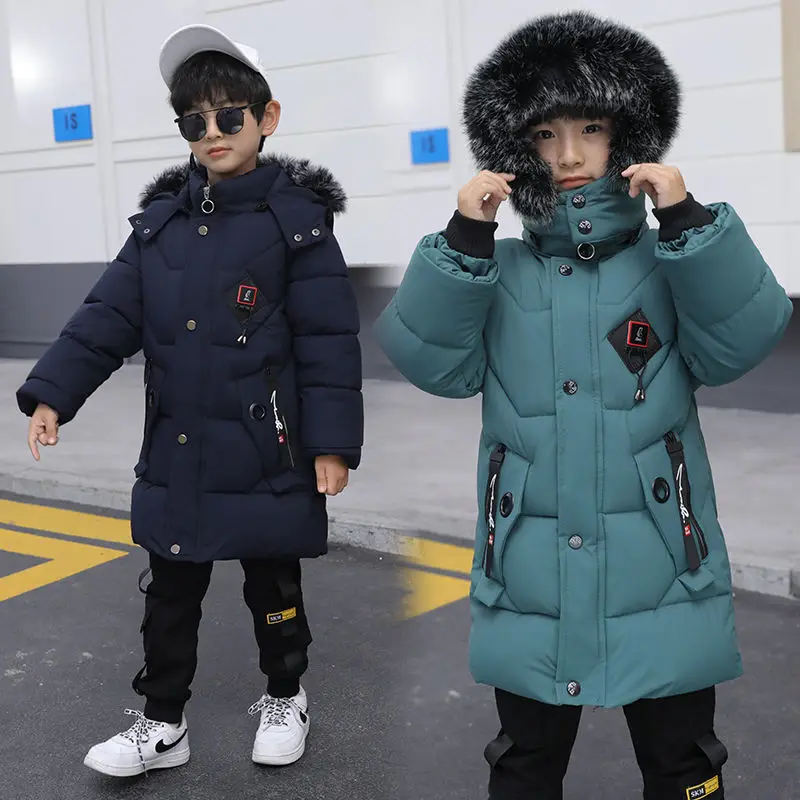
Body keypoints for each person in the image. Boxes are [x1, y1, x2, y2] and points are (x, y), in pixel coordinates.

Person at [375, 11, 792, 800]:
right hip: (529, 571)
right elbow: (435, 366)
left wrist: (688, 221)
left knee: (684, 765)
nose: (568, 156)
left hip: (664, 569)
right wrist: (464, 238)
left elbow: (740, 343)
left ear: (626, 135)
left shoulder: (670, 258)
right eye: (545, 134)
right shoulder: (496, 270)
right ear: (514, 149)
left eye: (590, 129)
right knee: (524, 766)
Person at [17, 23, 363, 777]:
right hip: (178, 447)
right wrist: (52, 395)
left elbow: (329, 342)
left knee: (273, 585)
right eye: (194, 121)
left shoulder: (298, 227)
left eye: (229, 116)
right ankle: (162, 722)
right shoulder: (161, 226)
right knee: (169, 593)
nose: (212, 133)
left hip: (269, 449)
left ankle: (285, 695)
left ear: (267, 118)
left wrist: (333, 444)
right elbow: (106, 317)